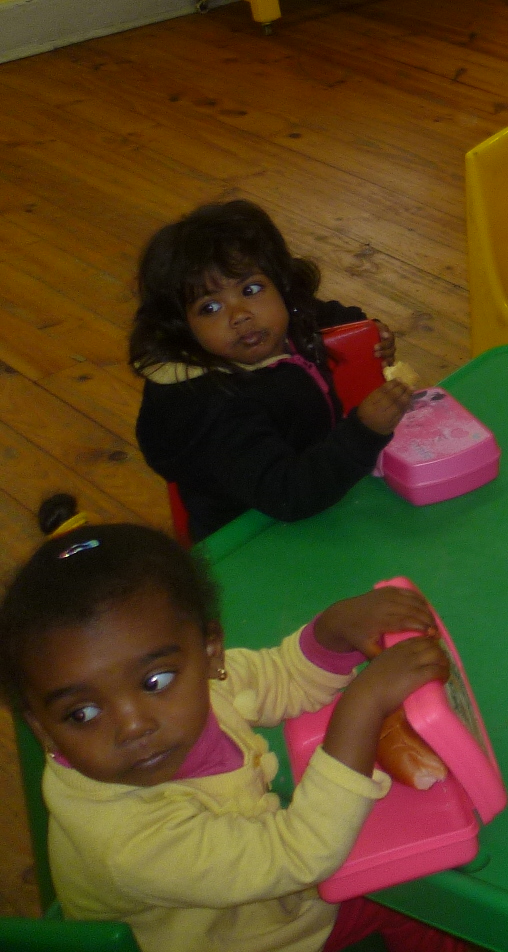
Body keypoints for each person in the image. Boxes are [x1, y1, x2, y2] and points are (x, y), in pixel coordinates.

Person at [0, 494, 474, 951]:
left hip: (265, 907)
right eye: (81, 713)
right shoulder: (127, 843)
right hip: (259, 939)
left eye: (156, 680)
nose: (132, 726)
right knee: (428, 909)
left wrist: (330, 634)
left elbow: (280, 676)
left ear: (210, 652)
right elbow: (301, 853)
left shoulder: (207, 682)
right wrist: (363, 707)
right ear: (41, 727)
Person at [132, 201, 412, 543]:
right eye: (210, 308)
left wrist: (371, 333)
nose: (240, 315)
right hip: (251, 540)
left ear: (280, 284)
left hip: (322, 493)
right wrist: (364, 432)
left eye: (251, 289)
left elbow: (325, 318)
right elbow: (288, 495)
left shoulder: (282, 319)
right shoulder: (210, 408)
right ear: (183, 330)